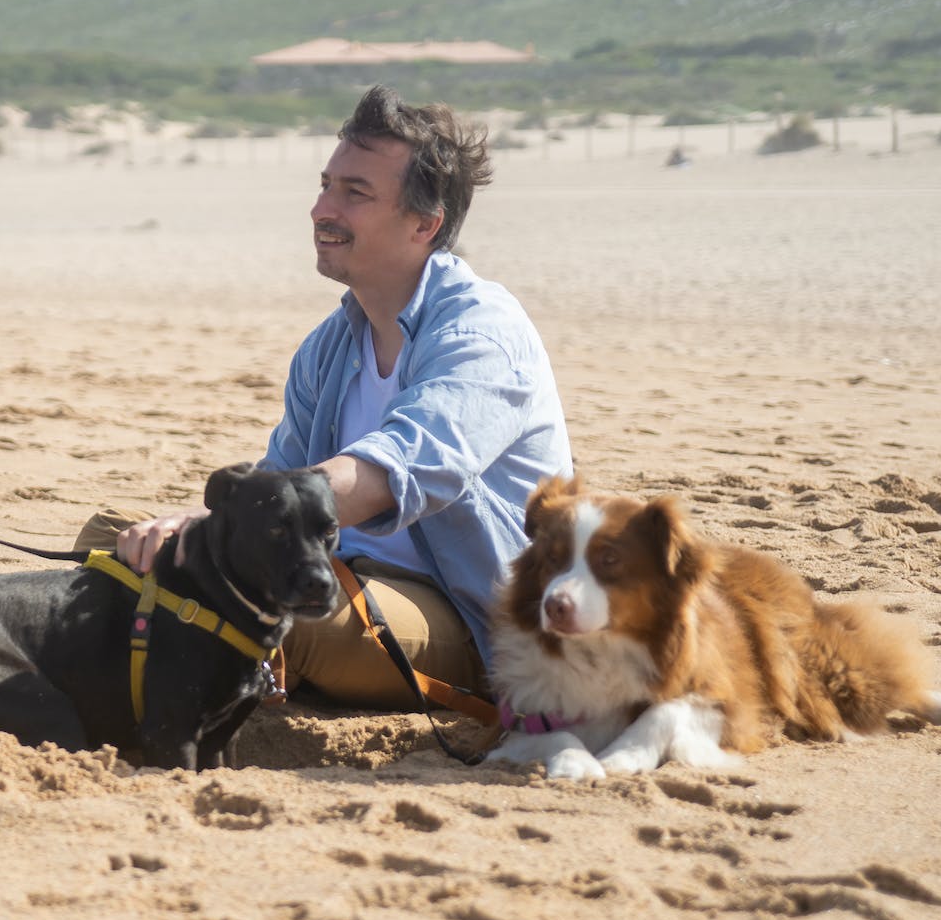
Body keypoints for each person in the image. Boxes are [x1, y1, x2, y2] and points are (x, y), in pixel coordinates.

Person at [76, 84, 573, 710]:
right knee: (118, 541)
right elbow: (280, 477)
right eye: (325, 185)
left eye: (354, 193)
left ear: (426, 223)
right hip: (335, 574)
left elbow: (388, 471)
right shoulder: (332, 345)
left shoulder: (483, 334)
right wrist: (192, 532)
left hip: (465, 611)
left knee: (271, 612)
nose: (321, 209)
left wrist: (216, 526)